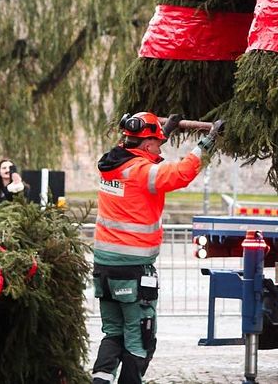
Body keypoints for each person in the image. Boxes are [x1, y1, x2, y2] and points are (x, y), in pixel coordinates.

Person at [91, 112, 222, 384]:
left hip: (104, 268)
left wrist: (165, 132)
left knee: (113, 334)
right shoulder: (142, 173)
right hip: (133, 269)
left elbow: (137, 153)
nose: (160, 147)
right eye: (157, 143)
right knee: (141, 340)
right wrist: (208, 143)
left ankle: (100, 380)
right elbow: (180, 173)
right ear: (148, 145)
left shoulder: (112, 163)